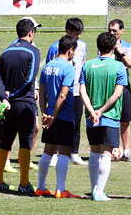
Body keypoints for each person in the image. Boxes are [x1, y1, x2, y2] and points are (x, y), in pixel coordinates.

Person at [0, 18, 41, 193]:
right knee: (25, 143)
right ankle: (24, 184)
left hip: (7, 104)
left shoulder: (6, 52)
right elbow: (29, 79)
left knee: (5, 141)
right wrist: (12, 94)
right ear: (30, 33)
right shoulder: (33, 51)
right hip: (24, 102)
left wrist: (4, 96)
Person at [80, 32, 128, 201]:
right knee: (107, 153)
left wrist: (92, 111)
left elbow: (82, 91)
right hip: (110, 116)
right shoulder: (119, 67)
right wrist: (101, 111)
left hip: (90, 117)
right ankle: (99, 191)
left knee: (94, 152)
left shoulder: (88, 65)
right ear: (114, 47)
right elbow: (117, 94)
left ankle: (94, 188)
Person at [36, 35, 82, 198]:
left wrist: (44, 113)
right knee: (64, 152)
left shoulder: (47, 66)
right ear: (70, 50)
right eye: (74, 51)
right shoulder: (68, 68)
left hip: (49, 114)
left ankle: (40, 187)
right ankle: (60, 189)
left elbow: (41, 92)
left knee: (48, 152)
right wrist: (54, 116)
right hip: (63, 115)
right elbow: (63, 96)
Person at [46, 18, 88, 166]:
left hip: (76, 91)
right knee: (57, 121)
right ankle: (56, 153)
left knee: (76, 122)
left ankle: (74, 153)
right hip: (59, 91)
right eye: (76, 33)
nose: (79, 37)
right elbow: (49, 68)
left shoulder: (82, 46)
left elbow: (82, 66)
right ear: (68, 31)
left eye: (80, 33)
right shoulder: (55, 47)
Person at [108, 19, 131, 162]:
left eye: (114, 30)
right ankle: (113, 149)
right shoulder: (105, 44)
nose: (112, 33)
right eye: (110, 30)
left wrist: (120, 52)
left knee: (125, 120)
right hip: (109, 86)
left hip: (124, 86)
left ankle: (126, 151)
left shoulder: (127, 46)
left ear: (121, 31)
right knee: (110, 118)